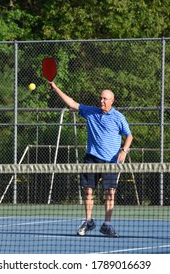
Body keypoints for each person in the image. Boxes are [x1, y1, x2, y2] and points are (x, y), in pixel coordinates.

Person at [48, 81, 133, 237]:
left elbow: (129, 136)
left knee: (110, 193)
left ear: (112, 101)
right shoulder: (91, 112)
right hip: (92, 158)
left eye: (105, 99)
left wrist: (124, 151)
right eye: (100, 98)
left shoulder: (119, 117)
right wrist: (56, 89)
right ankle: (88, 221)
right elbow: (72, 103)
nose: (101, 101)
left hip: (110, 161)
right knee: (88, 191)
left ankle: (107, 225)